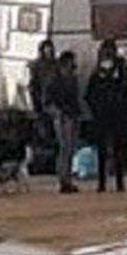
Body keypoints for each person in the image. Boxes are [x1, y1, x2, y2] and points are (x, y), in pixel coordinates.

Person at [85, 40, 127, 193]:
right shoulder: (97, 72)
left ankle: (120, 181)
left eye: (110, 50)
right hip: (101, 116)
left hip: (118, 115)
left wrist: (124, 107)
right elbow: (89, 94)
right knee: (102, 150)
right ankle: (102, 182)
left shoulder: (123, 70)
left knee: (119, 148)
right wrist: (95, 109)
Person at [48, 51, 84, 193]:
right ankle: (63, 179)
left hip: (73, 115)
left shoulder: (73, 79)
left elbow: (75, 99)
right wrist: (57, 113)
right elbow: (48, 100)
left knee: (71, 149)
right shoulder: (54, 80)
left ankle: (67, 178)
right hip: (62, 116)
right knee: (64, 148)